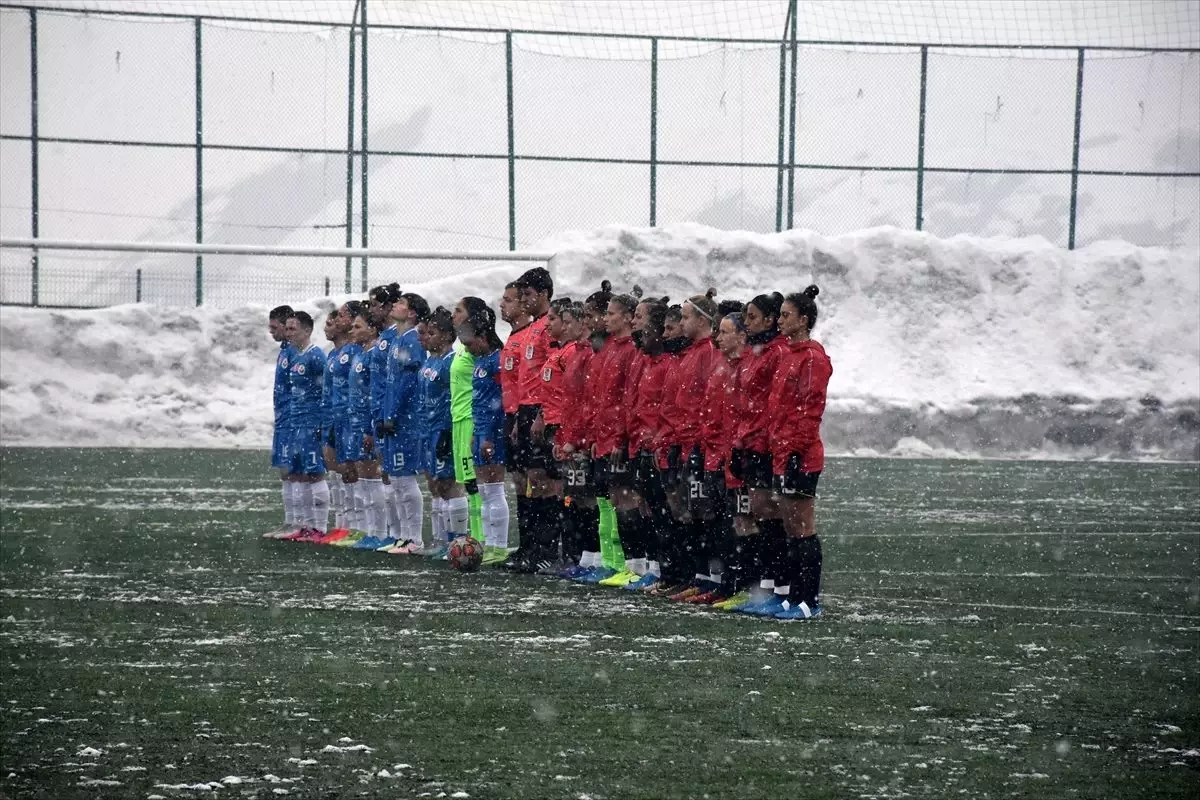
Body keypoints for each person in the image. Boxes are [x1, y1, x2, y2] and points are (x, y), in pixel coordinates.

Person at [759, 285, 831, 620]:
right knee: (788, 525)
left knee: (802, 525)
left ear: (804, 320)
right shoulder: (789, 354)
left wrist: (793, 452)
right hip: (782, 452)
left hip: (800, 456)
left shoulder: (813, 358)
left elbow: (808, 411)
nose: (781, 321)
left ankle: (809, 600)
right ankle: (792, 597)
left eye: (787, 315)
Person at [725, 291, 789, 611]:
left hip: (765, 446)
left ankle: (781, 589)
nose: (747, 322)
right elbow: (743, 405)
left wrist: (764, 443)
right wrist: (739, 443)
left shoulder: (777, 352)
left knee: (773, 519)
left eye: (752, 317)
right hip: (750, 444)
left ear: (769, 319)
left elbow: (773, 405)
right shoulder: (755, 352)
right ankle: (766, 588)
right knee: (761, 517)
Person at [511, 267, 558, 573]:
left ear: (542, 295)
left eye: (528, 295)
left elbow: (551, 373)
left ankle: (547, 549)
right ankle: (528, 546)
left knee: (544, 482)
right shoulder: (529, 328)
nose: (524, 300)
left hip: (542, 409)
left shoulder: (548, 327)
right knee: (528, 481)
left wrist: (542, 413)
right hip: (526, 410)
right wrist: (519, 416)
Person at [331, 307, 386, 548]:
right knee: (362, 480)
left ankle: (380, 532)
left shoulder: (374, 354)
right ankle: (365, 530)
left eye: (357, 326)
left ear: (373, 330)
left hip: (369, 423)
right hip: (356, 421)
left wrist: (369, 426)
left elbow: (376, 392)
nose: (352, 330)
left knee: (373, 478)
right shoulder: (361, 354)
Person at [460, 302, 511, 558]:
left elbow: (501, 401)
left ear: (482, 337)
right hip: (480, 431)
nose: (468, 349)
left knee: (494, 488)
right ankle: (489, 543)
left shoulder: (497, 360)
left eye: (470, 344)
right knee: (485, 490)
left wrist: (489, 435)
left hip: (494, 432)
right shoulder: (481, 360)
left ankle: (499, 546)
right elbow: (479, 400)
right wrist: (476, 433)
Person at [379, 292, 429, 554]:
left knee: (405, 478)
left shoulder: (411, 339)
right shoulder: (398, 339)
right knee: (396, 479)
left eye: (401, 303)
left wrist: (394, 415)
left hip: (406, 421)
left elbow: (408, 383)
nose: (395, 306)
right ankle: (403, 536)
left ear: (411, 313)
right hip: (394, 417)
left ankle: (415, 539)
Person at [415, 307, 466, 558]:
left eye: (432, 333)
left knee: (449, 484)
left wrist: (446, 431)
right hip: (427, 429)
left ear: (447, 336)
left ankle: (458, 540)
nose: (426, 337)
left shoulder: (451, 362)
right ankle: (439, 539)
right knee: (435, 485)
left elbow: (453, 398)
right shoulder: (430, 360)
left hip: (443, 430)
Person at [278, 311, 330, 541]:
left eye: (293, 329)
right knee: (297, 473)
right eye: (287, 329)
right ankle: (304, 525)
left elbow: (326, 391)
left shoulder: (315, 356)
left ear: (307, 331)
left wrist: (322, 422)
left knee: (314, 473)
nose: (288, 333)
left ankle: (320, 527)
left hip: (311, 422)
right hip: (296, 423)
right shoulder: (295, 357)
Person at [315, 303, 360, 544]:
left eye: (336, 320)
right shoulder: (333, 353)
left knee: (351, 471)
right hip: (333, 417)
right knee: (336, 470)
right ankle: (341, 523)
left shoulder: (355, 350)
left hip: (349, 417)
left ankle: (354, 525)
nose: (327, 328)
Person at [495, 283, 532, 566]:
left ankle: (538, 547)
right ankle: (526, 546)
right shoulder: (512, 337)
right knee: (519, 481)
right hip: (511, 416)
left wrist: (521, 416)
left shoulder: (530, 336)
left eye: (508, 300)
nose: (502, 305)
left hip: (523, 416)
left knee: (534, 481)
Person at [450, 298, 488, 548]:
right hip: (458, 420)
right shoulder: (463, 347)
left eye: (459, 310)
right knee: (468, 483)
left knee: (476, 484)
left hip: (470, 420)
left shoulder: (478, 348)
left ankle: (483, 539)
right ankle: (474, 539)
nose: (454, 315)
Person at [263, 305, 298, 538]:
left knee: (299, 471)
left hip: (295, 419)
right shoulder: (286, 350)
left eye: (274, 327)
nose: (271, 331)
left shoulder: (298, 352)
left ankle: (301, 524)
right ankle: (291, 522)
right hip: (284, 418)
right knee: (286, 471)